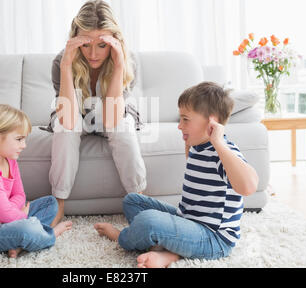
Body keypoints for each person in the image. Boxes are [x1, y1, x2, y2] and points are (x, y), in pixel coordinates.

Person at [94, 82, 259, 268]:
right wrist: (189, 141)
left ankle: (124, 238)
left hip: (214, 238)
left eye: (185, 119)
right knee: (133, 201)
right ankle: (169, 251)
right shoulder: (198, 146)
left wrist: (219, 143)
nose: (179, 126)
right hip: (188, 221)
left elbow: (249, 186)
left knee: (149, 221)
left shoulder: (224, 152)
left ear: (211, 122)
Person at [43, 0, 147, 225]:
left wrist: (119, 65)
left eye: (101, 45)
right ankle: (58, 202)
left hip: (112, 113)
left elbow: (112, 119)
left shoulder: (127, 62)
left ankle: (137, 200)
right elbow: (69, 120)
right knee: (64, 128)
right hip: (74, 113)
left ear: (114, 42)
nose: (92, 54)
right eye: (86, 44)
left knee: (122, 127)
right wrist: (67, 66)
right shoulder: (61, 61)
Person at [0, 104, 72, 258]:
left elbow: (19, 195)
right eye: (19, 139)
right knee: (27, 228)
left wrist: (0, 215)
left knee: (51, 203)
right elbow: (8, 213)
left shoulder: (10, 160)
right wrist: (14, 215)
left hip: (3, 219)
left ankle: (18, 245)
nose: (24, 146)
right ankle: (50, 235)